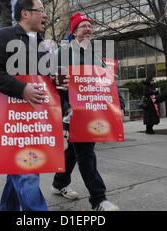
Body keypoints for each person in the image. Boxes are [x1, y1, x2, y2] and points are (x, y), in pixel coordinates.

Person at [0, 0, 58, 211]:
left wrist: (59, 83)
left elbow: (46, 79)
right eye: (41, 10)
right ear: (25, 13)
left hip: (37, 118)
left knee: (18, 169)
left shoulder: (45, 44)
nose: (45, 15)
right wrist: (21, 88)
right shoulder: (4, 36)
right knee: (27, 173)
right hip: (14, 119)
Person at [50, 13, 123, 211]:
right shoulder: (62, 53)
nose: (88, 29)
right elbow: (54, 84)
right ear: (74, 32)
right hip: (73, 112)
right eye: (83, 26)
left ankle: (59, 183)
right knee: (85, 153)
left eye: (90, 26)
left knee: (75, 152)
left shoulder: (96, 55)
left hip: (93, 111)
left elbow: (109, 83)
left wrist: (120, 105)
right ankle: (99, 200)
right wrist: (65, 107)